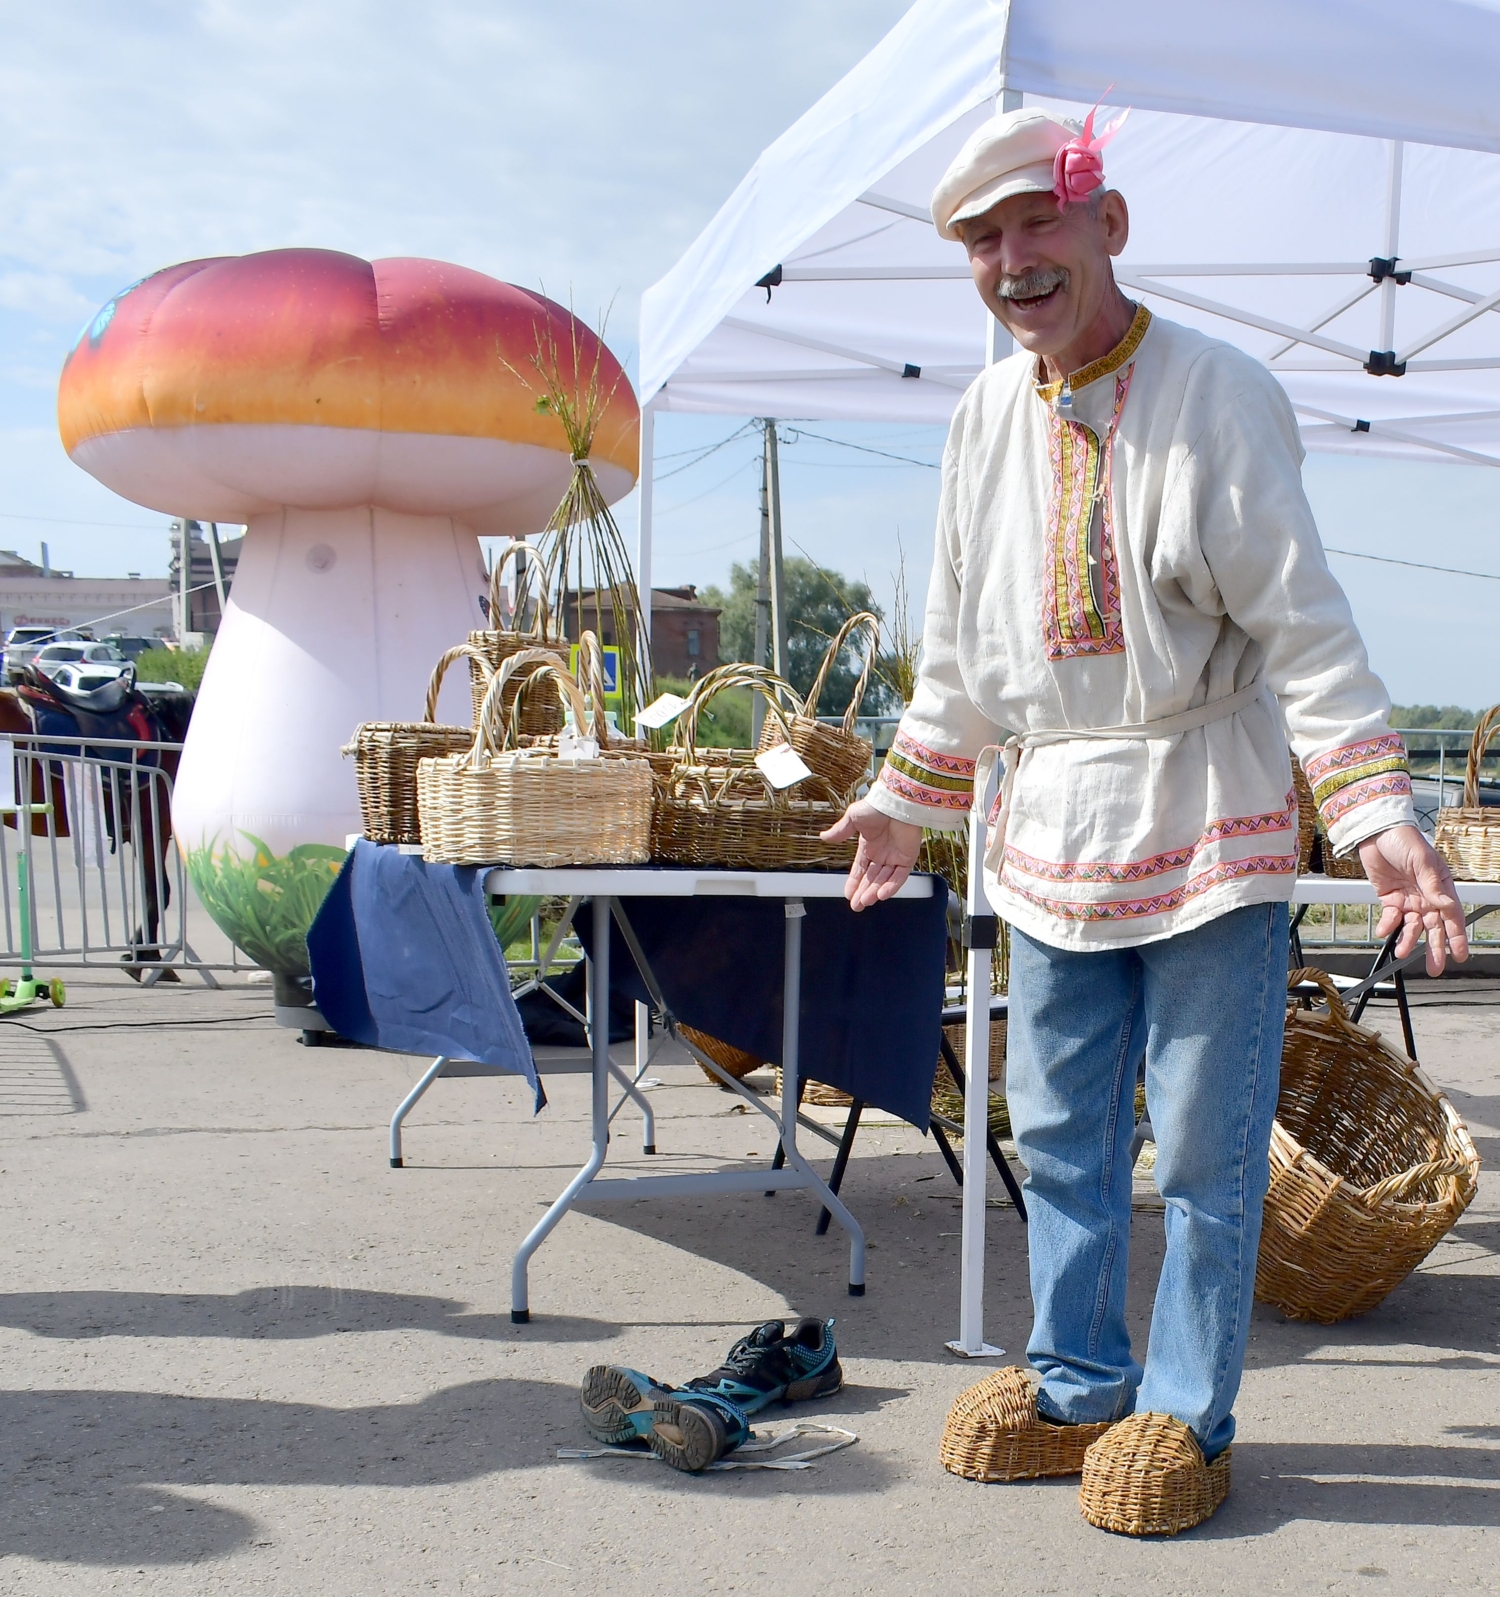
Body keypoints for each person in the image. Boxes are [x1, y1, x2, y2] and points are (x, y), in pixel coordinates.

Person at [823, 104, 1469, 1534]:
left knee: (1204, 1144)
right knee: (1053, 1132)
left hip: (1204, 817)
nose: (1012, 261)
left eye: (1035, 224)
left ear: (1107, 225)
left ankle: (1187, 1410)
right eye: (981, 241)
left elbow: (1304, 628)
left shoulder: (1218, 392)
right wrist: (900, 800)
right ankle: (1074, 1390)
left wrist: (1375, 810)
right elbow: (954, 651)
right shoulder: (982, 416)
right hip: (1049, 824)